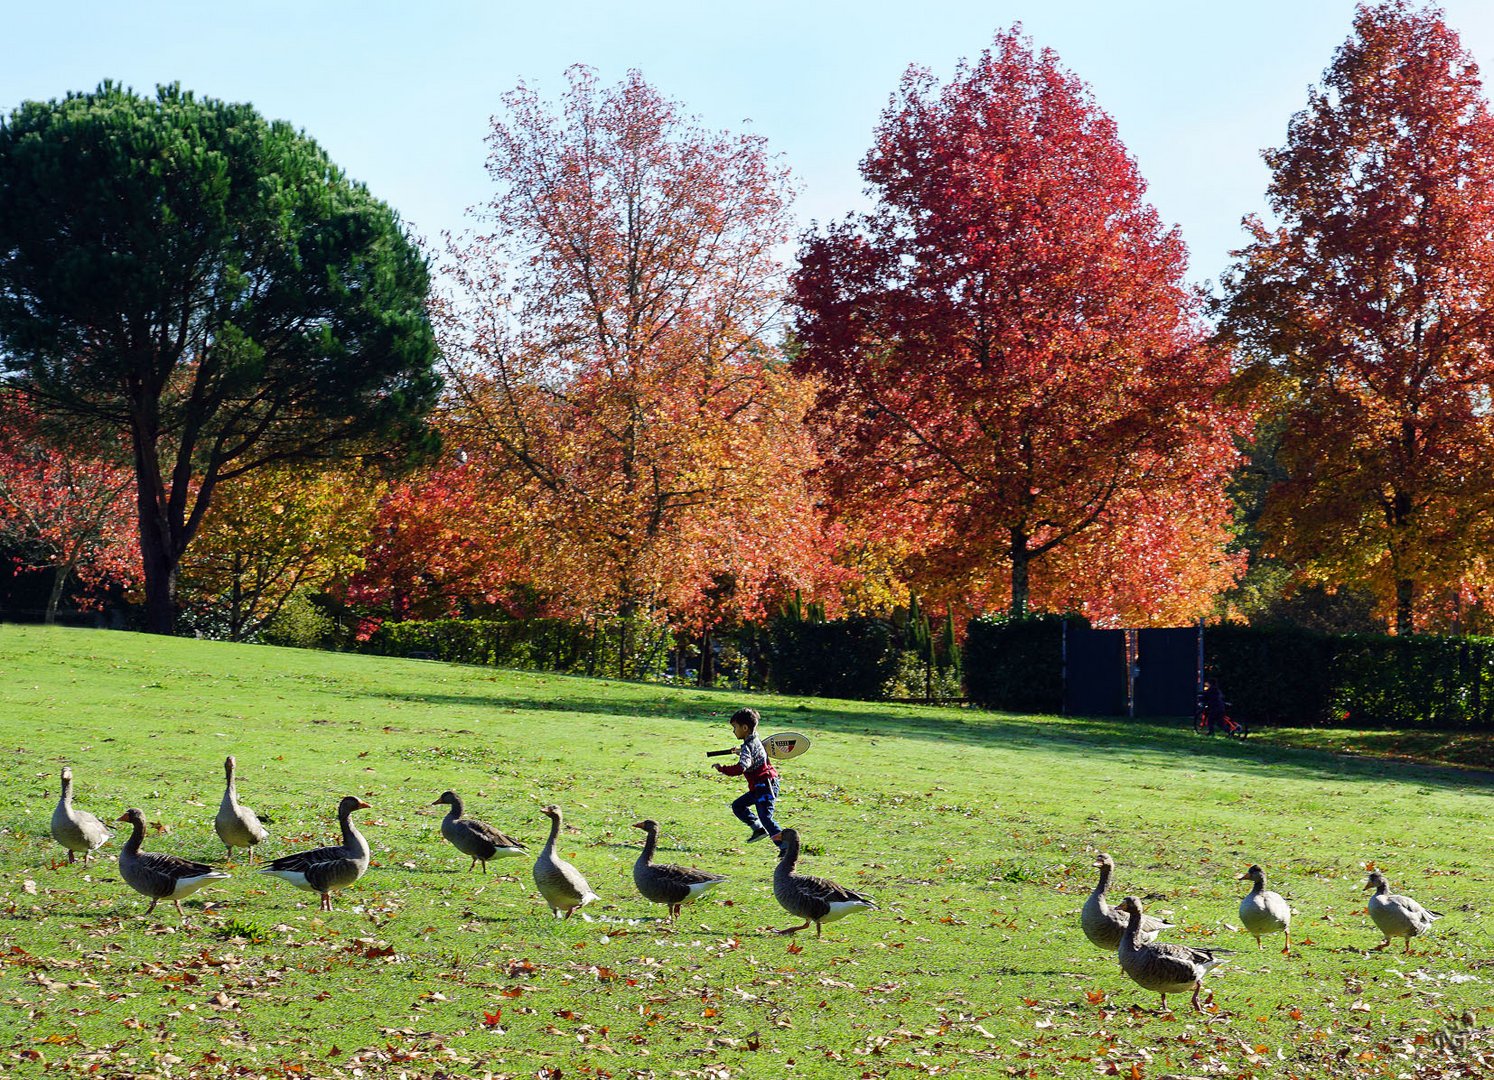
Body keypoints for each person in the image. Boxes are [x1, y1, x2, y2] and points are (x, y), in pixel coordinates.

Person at [713, 707, 782, 846]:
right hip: (762, 785)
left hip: (764, 786)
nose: (733, 731)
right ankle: (759, 830)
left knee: (766, 818)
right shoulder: (755, 740)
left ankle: (785, 847)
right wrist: (741, 751)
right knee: (738, 806)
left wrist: (722, 769)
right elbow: (754, 755)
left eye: (735, 727)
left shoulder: (748, 747)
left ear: (744, 728)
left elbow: (741, 767)